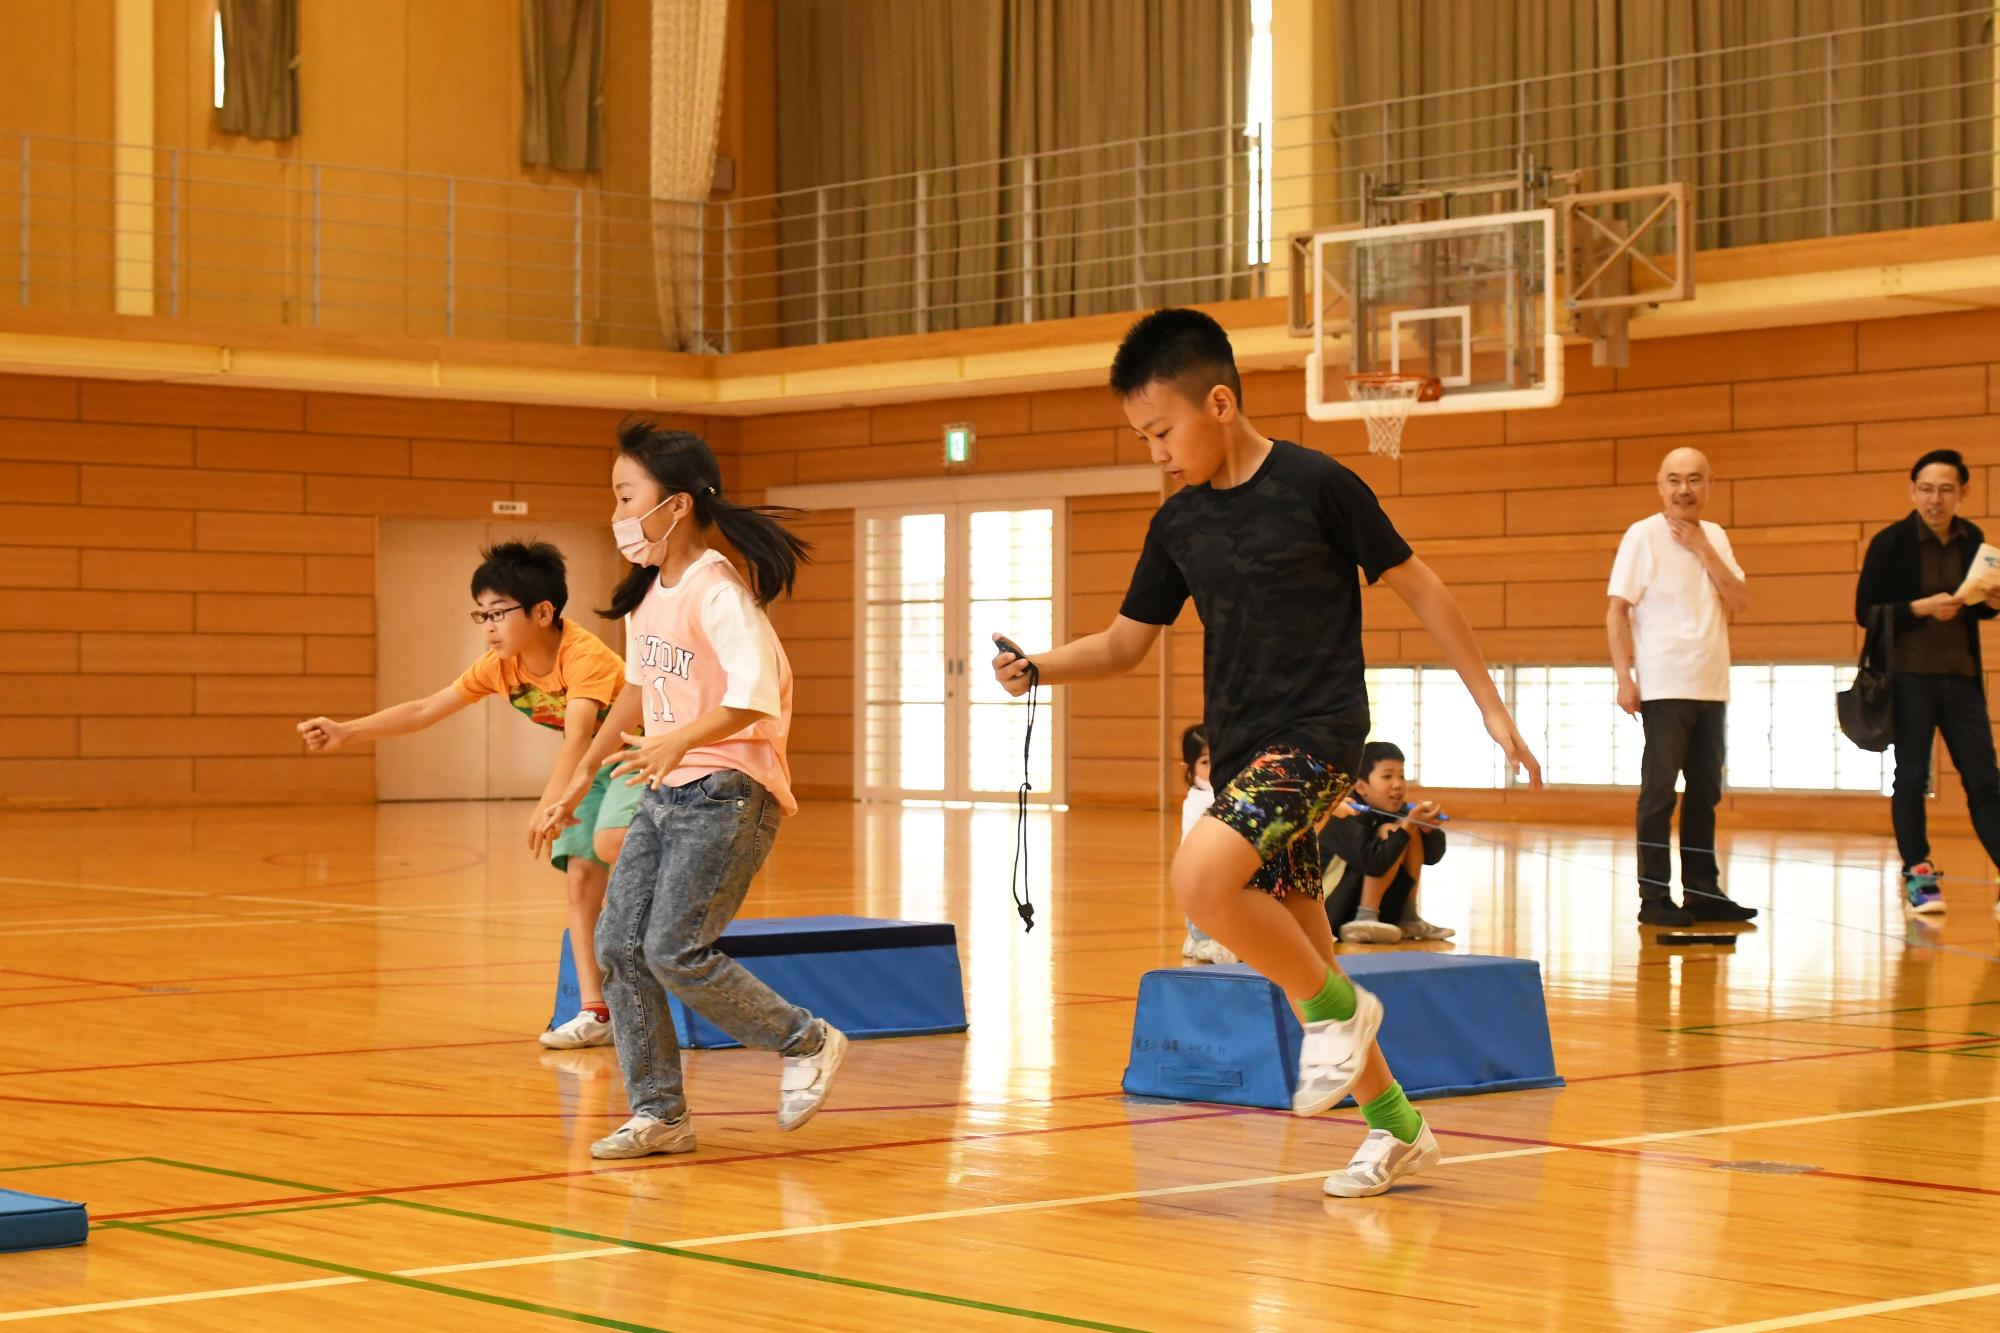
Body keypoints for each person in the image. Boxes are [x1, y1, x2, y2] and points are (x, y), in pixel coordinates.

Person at [991, 308, 1541, 1198]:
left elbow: (1423, 586)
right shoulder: (1179, 527)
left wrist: (1491, 706)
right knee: (1303, 952)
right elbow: (1128, 642)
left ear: (1218, 401)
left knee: (1203, 882)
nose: (1157, 452)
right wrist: (1039, 668)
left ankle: (1347, 1011)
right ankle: (1397, 1126)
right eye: (1142, 437)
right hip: (1245, 754)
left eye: (1163, 431)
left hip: (1320, 738)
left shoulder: (1318, 484)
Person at [536, 421, 846, 1160]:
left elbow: (757, 694)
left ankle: (807, 1038)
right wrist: (579, 775)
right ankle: (660, 1113)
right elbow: (637, 694)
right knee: (620, 942)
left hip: (730, 789)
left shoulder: (718, 590)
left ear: (674, 505)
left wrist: (682, 738)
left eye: (625, 495)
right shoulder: (649, 596)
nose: (616, 512)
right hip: (664, 789)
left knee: (674, 947)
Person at [298, 540, 634, 1049]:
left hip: (637, 754)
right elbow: (423, 710)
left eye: (499, 613)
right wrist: (348, 731)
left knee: (612, 845)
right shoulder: (501, 667)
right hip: (590, 767)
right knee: (581, 879)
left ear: (543, 612)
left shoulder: (583, 656)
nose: (489, 627)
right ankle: (597, 1012)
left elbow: (580, 738)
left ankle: (658, 956)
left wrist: (550, 804)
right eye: (482, 615)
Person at [1606, 447, 1757, 927]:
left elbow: (1740, 598)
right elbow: (1617, 610)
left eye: (1694, 479)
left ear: (1708, 485)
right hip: (1664, 684)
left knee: (1706, 791)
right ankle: (1654, 897)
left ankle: (1702, 890)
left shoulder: (1715, 536)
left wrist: (1702, 548)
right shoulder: (1642, 535)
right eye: (1674, 479)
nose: (1684, 489)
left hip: (1711, 684)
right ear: (1660, 484)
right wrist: (1624, 677)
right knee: (1658, 793)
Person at [1855, 448, 2000, 915]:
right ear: (1912, 490)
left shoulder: (1972, 537)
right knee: (1912, 779)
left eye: (1945, 489)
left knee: (1984, 781)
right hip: (1909, 680)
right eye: (1926, 489)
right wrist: (1920, 607)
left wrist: (1992, 600)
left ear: (1962, 492)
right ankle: (1919, 875)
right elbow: (1866, 612)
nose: (1935, 499)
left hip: (1960, 678)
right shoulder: (1890, 543)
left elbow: (1974, 604)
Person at [1320, 742, 1453, 945]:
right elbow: (1373, 863)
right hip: (1331, 909)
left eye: (1401, 776)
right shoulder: (1343, 811)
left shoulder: (1398, 812)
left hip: (1381, 911)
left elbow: (1433, 857)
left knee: (1408, 831)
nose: (1398, 784)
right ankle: (1365, 917)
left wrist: (1427, 830)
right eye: (1387, 776)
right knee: (1394, 831)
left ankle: (1409, 918)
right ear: (1361, 785)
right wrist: (1406, 827)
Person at [1177, 725, 1238, 964]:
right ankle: (1201, 939)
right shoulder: (1198, 800)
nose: (1213, 768)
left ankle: (1205, 938)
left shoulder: (1229, 792)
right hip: (1201, 873)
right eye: (1205, 762)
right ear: (1188, 768)